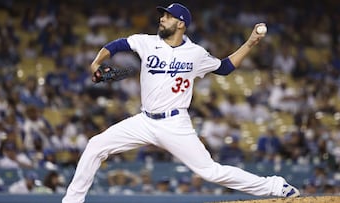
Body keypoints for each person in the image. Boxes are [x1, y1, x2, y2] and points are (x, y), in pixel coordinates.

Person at [62, 3, 300, 203]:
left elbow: (225, 68)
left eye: (167, 16)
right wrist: (96, 63)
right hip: (145, 120)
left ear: (181, 23)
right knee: (96, 145)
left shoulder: (195, 54)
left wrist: (249, 43)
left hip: (175, 124)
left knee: (211, 172)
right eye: (162, 15)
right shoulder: (147, 42)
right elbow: (115, 46)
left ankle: (275, 187)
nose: (162, 18)